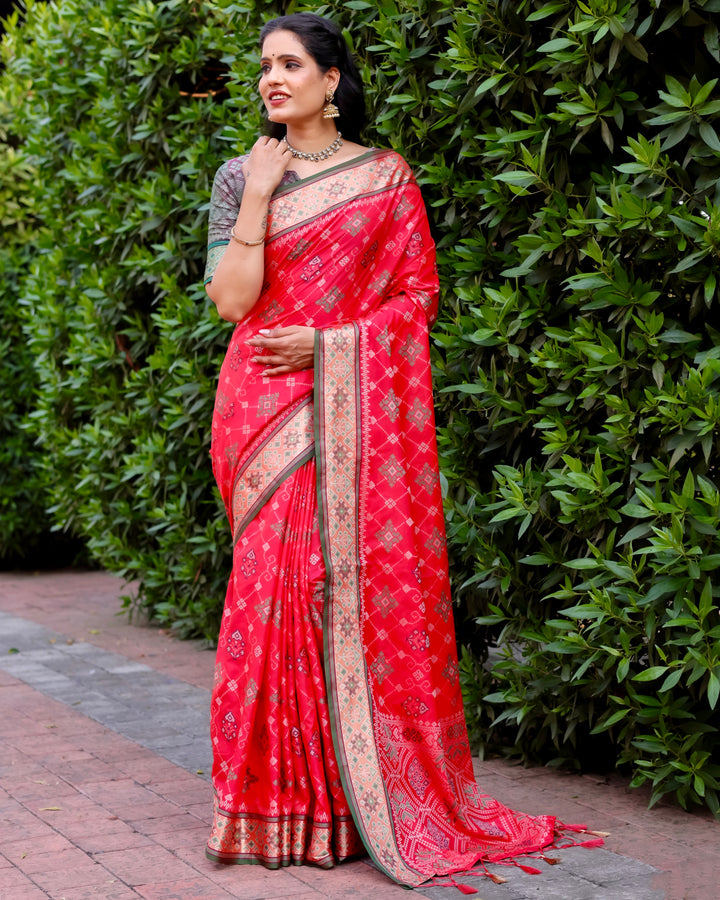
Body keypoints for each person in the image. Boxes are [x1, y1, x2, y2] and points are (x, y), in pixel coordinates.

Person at [203, 12, 602, 889]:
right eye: (264, 66)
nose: (272, 78)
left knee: (332, 587)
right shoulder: (240, 175)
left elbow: (415, 298)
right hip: (261, 410)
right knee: (271, 593)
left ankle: (356, 802)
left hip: (336, 391)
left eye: (290, 64)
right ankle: (277, 807)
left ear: (332, 80)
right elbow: (232, 304)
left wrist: (329, 345)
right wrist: (263, 193)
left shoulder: (385, 178)